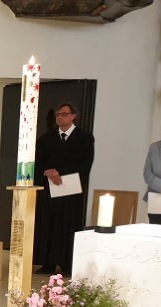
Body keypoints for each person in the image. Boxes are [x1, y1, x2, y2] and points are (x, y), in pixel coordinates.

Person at [32, 102, 95, 276]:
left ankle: (67, 263)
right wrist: (48, 172)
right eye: (58, 114)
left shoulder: (84, 138)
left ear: (73, 116)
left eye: (64, 114)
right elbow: (38, 162)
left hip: (70, 189)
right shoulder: (46, 139)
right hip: (49, 188)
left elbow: (84, 163)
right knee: (48, 223)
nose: (59, 117)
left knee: (68, 224)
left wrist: (59, 172)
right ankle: (47, 262)